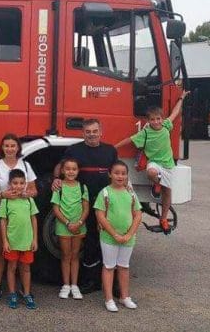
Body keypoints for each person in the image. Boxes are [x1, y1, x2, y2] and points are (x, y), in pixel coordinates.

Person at [53, 118, 117, 293]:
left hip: (106, 203)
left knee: (109, 240)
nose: (91, 135)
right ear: (83, 133)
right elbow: (61, 166)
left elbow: (117, 174)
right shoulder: (74, 150)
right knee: (89, 242)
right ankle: (90, 280)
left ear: (100, 131)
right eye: (88, 132)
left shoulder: (110, 151)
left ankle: (113, 282)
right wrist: (56, 179)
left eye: (94, 131)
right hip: (85, 204)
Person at [114, 91, 188, 234]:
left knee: (168, 192)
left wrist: (181, 98)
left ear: (162, 118)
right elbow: (130, 139)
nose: (156, 122)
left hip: (168, 165)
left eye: (158, 118)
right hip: (154, 163)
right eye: (152, 119)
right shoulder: (145, 133)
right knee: (151, 172)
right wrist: (113, 147)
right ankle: (157, 184)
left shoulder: (167, 125)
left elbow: (175, 112)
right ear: (148, 121)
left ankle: (164, 219)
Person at [0, 133, 37, 301]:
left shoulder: (27, 165)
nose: (9, 149)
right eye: (6, 146)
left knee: (21, 252)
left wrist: (24, 194)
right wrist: (3, 194)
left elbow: (34, 190)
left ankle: (22, 288)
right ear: (2, 148)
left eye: (13, 146)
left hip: (21, 214)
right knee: (2, 250)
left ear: (18, 148)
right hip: (3, 213)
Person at [93, 161, 143, 312]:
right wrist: (114, 234)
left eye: (123, 173)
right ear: (110, 174)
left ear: (127, 175)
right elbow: (100, 215)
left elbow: (138, 215)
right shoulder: (105, 193)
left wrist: (129, 234)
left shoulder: (131, 193)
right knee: (109, 266)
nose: (120, 176)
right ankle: (108, 298)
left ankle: (124, 296)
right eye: (116, 173)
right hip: (109, 237)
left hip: (128, 238)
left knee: (124, 266)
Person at [0, 169, 39, 310]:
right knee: (11, 267)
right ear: (10, 184)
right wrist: (5, 241)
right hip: (12, 241)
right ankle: (12, 293)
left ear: (25, 184)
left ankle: (27, 294)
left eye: (22, 183)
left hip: (27, 241)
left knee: (26, 268)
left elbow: (34, 219)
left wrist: (35, 239)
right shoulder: (6, 201)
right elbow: (3, 222)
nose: (19, 186)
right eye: (15, 183)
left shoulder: (29, 200)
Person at [51, 157, 89, 300]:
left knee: (75, 255)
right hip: (64, 227)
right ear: (62, 170)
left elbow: (86, 207)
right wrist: (67, 223)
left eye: (74, 169)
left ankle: (75, 285)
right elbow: (56, 208)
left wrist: (79, 223)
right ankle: (66, 285)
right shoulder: (58, 187)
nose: (71, 172)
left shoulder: (82, 187)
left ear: (78, 171)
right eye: (67, 169)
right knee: (65, 255)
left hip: (79, 227)